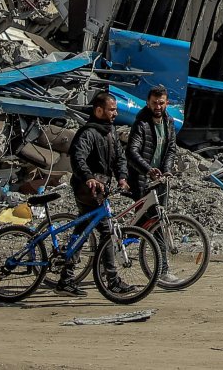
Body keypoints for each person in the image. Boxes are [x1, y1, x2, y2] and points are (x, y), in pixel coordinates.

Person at [53, 91, 131, 297]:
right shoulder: (87, 133)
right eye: (111, 109)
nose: (115, 113)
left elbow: (119, 158)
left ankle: (66, 278)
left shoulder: (110, 132)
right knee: (106, 232)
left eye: (115, 109)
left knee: (83, 229)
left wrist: (122, 177)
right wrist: (89, 177)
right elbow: (78, 158)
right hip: (86, 189)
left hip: (101, 188)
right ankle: (111, 280)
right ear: (99, 110)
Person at [125, 85, 181, 285]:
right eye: (154, 102)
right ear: (148, 102)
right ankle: (162, 270)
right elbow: (132, 152)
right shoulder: (141, 124)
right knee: (154, 224)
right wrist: (148, 169)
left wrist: (165, 170)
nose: (158, 106)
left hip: (160, 180)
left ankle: (118, 250)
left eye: (161, 102)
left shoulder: (169, 122)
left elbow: (171, 149)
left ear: (167, 103)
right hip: (142, 181)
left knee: (157, 222)